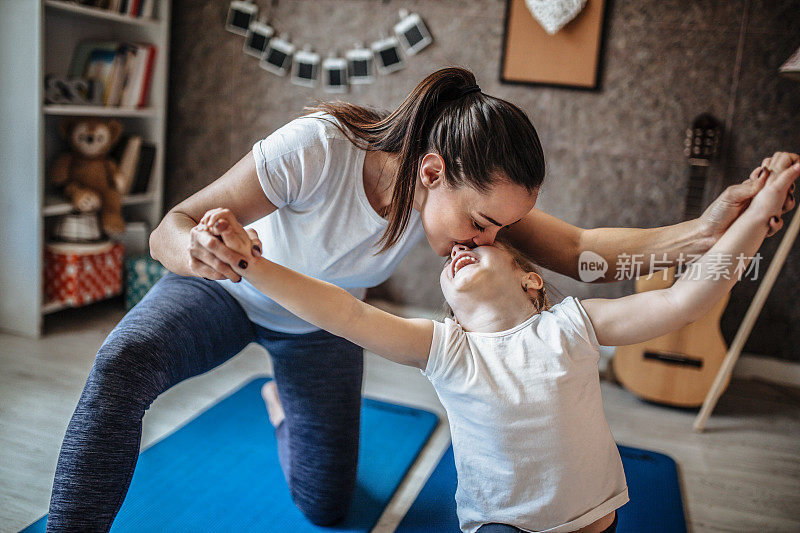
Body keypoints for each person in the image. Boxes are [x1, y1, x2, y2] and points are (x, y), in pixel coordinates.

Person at [44, 64, 797, 532]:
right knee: (124, 360)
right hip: (228, 288)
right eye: (484, 221)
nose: (491, 239)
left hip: (318, 327)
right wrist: (200, 249)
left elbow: (583, 254)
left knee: (326, 505)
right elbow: (169, 227)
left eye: (501, 228)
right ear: (431, 170)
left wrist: (707, 228)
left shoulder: (473, 212)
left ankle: (278, 397)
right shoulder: (317, 146)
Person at [198, 155, 798, 533]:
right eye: (454, 252)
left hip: (593, 520)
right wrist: (250, 261)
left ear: (530, 276)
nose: (461, 246)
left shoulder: (571, 326)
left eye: (482, 243)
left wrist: (756, 217)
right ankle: (281, 406)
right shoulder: (445, 350)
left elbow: (682, 301)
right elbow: (341, 311)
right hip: (500, 525)